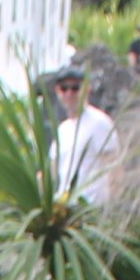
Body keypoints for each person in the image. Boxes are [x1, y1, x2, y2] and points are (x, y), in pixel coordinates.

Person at [48, 66, 118, 205]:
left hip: (92, 207)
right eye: (64, 88)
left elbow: (114, 168)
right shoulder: (62, 130)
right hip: (66, 208)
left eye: (75, 88)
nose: (69, 93)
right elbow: (53, 171)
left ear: (87, 89)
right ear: (58, 91)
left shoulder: (100, 123)